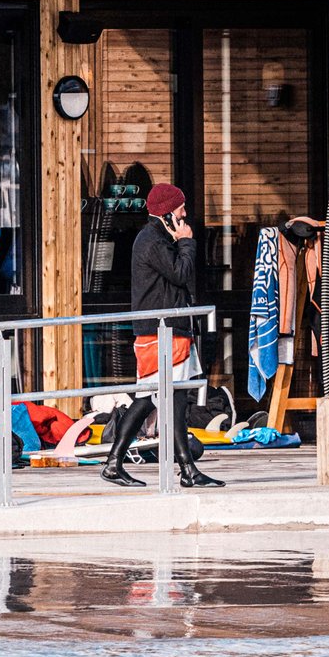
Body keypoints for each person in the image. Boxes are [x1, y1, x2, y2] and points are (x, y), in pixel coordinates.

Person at [101, 182, 221, 488]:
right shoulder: (153, 241)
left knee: (175, 399)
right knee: (149, 399)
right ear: (168, 214)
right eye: (181, 209)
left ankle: (187, 470)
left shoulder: (158, 237)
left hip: (172, 329)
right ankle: (115, 462)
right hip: (161, 333)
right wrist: (187, 242)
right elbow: (181, 273)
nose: (185, 214)